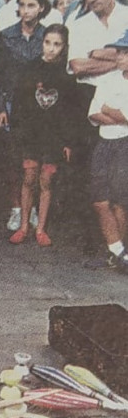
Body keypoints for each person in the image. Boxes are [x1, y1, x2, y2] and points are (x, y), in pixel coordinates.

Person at [8, 25, 79, 247]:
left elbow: (70, 112)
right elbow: (19, 104)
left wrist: (67, 141)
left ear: (64, 47)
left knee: (46, 181)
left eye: (57, 44)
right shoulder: (29, 69)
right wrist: (18, 131)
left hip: (53, 137)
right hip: (30, 134)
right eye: (48, 42)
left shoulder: (67, 77)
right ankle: (23, 226)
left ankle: (41, 229)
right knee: (29, 178)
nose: (51, 49)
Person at [0, 0, 50, 233]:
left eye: (32, 5)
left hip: (39, 106)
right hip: (10, 102)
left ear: (41, 8)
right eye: (23, 5)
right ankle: (16, 208)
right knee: (11, 158)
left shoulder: (48, 36)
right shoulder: (6, 36)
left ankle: (34, 208)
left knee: (35, 159)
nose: (26, 10)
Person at [83, 30, 128, 271]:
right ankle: (118, 251)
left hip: (125, 145)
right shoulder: (109, 79)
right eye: (120, 51)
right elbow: (94, 112)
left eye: (124, 52)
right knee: (100, 200)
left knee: (121, 201)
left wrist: (112, 112)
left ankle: (117, 256)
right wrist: (116, 114)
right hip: (105, 144)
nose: (119, 56)